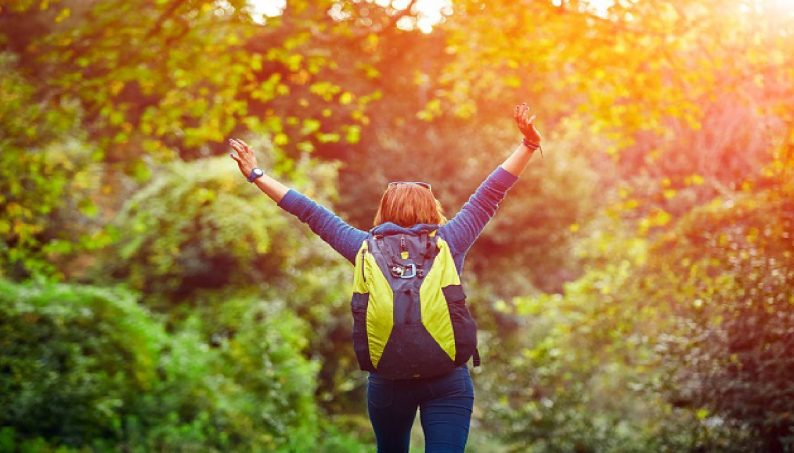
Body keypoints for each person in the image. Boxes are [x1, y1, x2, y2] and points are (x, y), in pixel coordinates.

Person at [228, 103, 543, 453]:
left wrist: (256, 174)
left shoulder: (363, 247)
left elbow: (308, 212)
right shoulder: (449, 242)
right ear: (431, 209)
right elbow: (490, 192)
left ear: (384, 211)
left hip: (388, 382)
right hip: (447, 381)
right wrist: (528, 145)